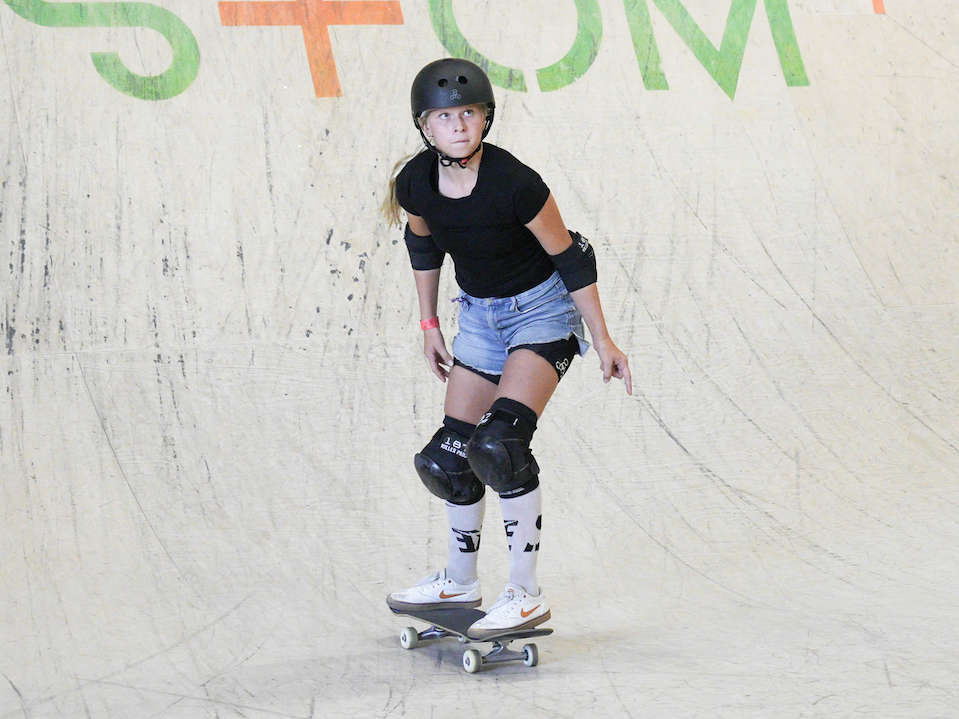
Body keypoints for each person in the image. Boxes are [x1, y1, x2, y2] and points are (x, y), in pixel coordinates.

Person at [383, 58, 631, 639]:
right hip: (479, 318)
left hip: (541, 312)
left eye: (469, 113)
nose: (459, 126)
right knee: (448, 460)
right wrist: (428, 324)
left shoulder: (516, 183)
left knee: (499, 447)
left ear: (486, 117)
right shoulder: (416, 183)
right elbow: (422, 248)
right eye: (445, 117)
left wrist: (602, 338)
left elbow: (571, 257)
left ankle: (525, 593)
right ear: (425, 126)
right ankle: (459, 580)